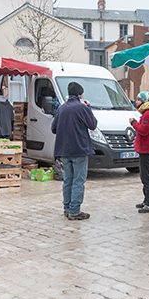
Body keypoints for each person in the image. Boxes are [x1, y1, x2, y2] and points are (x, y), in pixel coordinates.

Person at [51, 81, 98, 220]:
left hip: (64, 150)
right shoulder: (82, 108)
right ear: (80, 94)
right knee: (78, 180)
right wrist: (89, 108)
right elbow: (93, 125)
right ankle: (74, 211)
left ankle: (66, 208)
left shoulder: (61, 108)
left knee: (68, 180)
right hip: (79, 149)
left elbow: (53, 128)